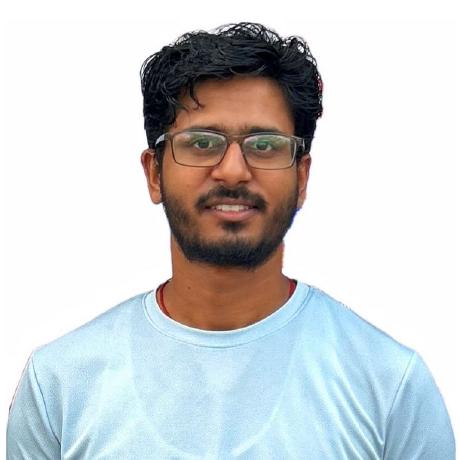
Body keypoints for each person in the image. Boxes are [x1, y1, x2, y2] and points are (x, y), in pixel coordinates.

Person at [7, 22, 455, 459]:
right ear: (154, 172)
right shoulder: (61, 385)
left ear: (301, 178)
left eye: (265, 145)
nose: (233, 171)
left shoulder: (390, 386)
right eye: (202, 143)